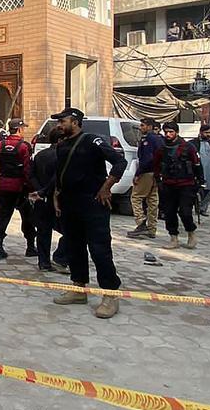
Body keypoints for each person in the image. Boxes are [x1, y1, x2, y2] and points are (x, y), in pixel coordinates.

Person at [47, 108, 125, 318]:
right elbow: (60, 174)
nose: (59, 126)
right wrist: (56, 196)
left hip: (92, 204)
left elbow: (120, 162)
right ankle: (79, 287)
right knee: (74, 248)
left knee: (99, 250)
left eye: (62, 121)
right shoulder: (62, 145)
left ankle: (110, 295)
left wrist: (107, 186)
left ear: (75, 121)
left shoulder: (92, 141)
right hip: (70, 204)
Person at [0, 118, 36, 261]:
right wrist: (32, 187)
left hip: (5, 186)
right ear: (19, 129)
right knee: (27, 217)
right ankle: (30, 247)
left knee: (2, 216)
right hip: (21, 187)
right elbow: (28, 170)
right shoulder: (24, 147)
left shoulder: (0, 145)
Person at [152, 122, 203, 249]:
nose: (168, 135)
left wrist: (200, 182)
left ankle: (191, 233)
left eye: (171, 132)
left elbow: (197, 164)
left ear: (177, 132)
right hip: (168, 184)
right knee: (169, 212)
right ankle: (173, 237)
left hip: (186, 184)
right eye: (166, 132)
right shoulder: (162, 148)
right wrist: (158, 180)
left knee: (185, 212)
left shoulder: (188, 147)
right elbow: (156, 165)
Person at [28, 128, 69, 274]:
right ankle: (60, 257)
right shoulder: (63, 156)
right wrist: (45, 191)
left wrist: (39, 190)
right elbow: (57, 179)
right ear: (60, 140)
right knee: (70, 231)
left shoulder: (39, 155)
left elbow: (31, 174)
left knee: (43, 232)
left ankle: (43, 262)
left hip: (41, 198)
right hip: (58, 199)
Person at [127, 117, 162, 239]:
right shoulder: (158, 139)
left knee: (136, 197)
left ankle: (141, 222)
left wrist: (138, 173)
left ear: (149, 126)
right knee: (152, 201)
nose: (141, 128)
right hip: (157, 173)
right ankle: (152, 228)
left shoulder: (148, 140)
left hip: (147, 172)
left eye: (143, 126)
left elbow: (147, 159)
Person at [187, 124, 210, 217]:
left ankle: (203, 208)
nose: (208, 134)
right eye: (206, 132)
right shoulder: (192, 143)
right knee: (196, 189)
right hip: (198, 169)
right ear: (201, 132)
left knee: (209, 189)